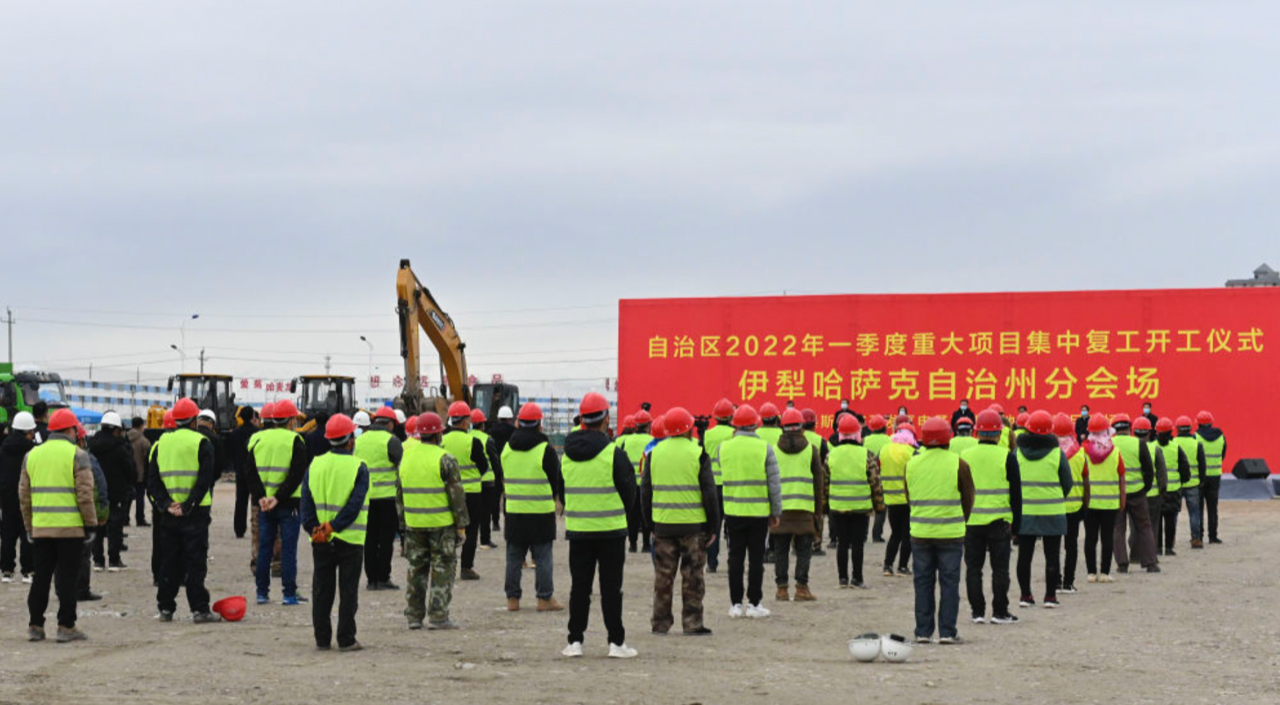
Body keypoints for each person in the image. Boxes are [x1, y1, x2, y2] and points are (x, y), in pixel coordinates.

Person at [561, 392, 638, 659]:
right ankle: (616, 643)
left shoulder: (567, 455)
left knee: (579, 588)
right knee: (611, 589)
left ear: (582, 419)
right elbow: (629, 491)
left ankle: (575, 641)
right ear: (606, 419)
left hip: (579, 531)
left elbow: (562, 490)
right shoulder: (613, 453)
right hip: (610, 532)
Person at [19, 409, 97, 642]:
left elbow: (24, 496)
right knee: (67, 579)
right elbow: (85, 494)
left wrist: (29, 527)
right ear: (71, 430)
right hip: (70, 529)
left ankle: (35, 625)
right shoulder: (78, 455)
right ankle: (66, 626)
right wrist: (90, 524)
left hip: (42, 528)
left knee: (41, 578)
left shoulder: (32, 455)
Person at [643, 406, 719, 635]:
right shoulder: (698, 454)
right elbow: (709, 494)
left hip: (663, 526)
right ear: (688, 429)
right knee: (693, 577)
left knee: (663, 578)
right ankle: (692, 623)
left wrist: (650, 525)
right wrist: (713, 527)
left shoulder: (654, 454)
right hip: (693, 528)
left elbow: (645, 492)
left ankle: (660, 622)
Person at [149, 398, 221, 623]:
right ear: (194, 420)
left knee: (169, 561)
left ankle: (165, 608)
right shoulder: (202, 442)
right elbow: (205, 480)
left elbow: (153, 482)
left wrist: (165, 504)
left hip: (169, 514)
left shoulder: (160, 444)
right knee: (195, 561)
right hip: (196, 513)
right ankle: (199, 609)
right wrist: (188, 504)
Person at [302, 414, 370, 651]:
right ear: (350, 439)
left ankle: (322, 639)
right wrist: (334, 526)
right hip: (350, 539)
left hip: (320, 538)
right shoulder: (359, 467)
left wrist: (315, 529)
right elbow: (354, 505)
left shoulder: (315, 465)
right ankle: (346, 638)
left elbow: (306, 503)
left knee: (322, 590)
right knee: (348, 591)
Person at [397, 412, 469, 630]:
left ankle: (414, 617)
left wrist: (402, 525)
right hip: (441, 525)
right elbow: (456, 495)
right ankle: (438, 616)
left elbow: (399, 495)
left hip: (414, 524)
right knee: (442, 568)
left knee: (416, 569)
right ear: (439, 434)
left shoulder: (406, 457)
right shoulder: (445, 458)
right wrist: (461, 525)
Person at [905, 418, 974, 644]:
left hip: (921, 533)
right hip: (951, 534)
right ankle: (947, 632)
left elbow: (909, 496)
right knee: (950, 583)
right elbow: (968, 499)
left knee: (922, 583)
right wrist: (960, 521)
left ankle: (923, 632)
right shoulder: (959, 464)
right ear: (948, 439)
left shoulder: (912, 463)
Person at [715, 404, 782, 620]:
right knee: (756, 560)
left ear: (734, 425)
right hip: (758, 513)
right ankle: (754, 603)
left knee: (735, 558)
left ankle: (735, 604)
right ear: (755, 424)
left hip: (733, 511)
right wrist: (776, 511)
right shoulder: (765, 448)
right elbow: (774, 484)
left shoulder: (723, 447)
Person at [501, 402, 564, 612]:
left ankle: (512, 599)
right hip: (540, 513)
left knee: (513, 557)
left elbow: (504, 476)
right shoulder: (545, 450)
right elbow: (555, 480)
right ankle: (544, 599)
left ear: (518, 423)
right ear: (539, 424)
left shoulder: (507, 449)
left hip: (514, 512)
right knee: (543, 557)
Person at [246, 400, 309, 605]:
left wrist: (262, 497)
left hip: (265, 504)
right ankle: (289, 594)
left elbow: (250, 473)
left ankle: (261, 593)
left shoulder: (257, 439)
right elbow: (296, 475)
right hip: (288, 504)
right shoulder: (295, 440)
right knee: (288, 550)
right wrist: (278, 498)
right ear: (291, 420)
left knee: (265, 548)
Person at [962, 410, 1019, 625]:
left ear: (976, 432)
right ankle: (1000, 612)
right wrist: (1017, 525)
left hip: (971, 522)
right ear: (999, 433)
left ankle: (977, 612)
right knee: (1000, 569)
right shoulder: (1007, 456)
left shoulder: (965, 455)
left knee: (973, 569)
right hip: (999, 521)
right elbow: (1016, 494)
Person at [1012, 411, 1072, 609]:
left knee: (1024, 556)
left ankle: (1025, 595)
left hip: (1025, 513)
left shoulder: (1017, 454)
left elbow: (1011, 483)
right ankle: (1050, 596)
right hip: (1052, 511)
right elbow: (1067, 483)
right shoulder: (1057, 454)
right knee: (1052, 556)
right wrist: (1056, 497)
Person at [770, 409, 824, 602]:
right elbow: (819, 484)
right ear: (802, 428)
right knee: (803, 550)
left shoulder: (774, 451)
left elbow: (770, 482)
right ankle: (801, 588)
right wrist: (818, 513)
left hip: (781, 510)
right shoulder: (811, 450)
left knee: (780, 550)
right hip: (804, 509)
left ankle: (781, 589)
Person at [828, 414, 883, 589]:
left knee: (842, 543)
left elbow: (825, 482)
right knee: (858, 544)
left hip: (838, 507)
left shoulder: (831, 454)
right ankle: (857, 578)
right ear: (858, 433)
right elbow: (875, 482)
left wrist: (824, 507)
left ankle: (842, 579)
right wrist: (879, 506)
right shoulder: (866, 455)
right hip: (860, 507)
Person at [353, 406, 404, 590]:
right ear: (390, 424)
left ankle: (371, 579)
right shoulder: (392, 440)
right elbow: (401, 465)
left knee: (369, 539)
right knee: (385, 540)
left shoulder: (360, 440)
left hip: (366, 499)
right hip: (387, 498)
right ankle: (383, 577)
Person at [441, 401, 488, 580]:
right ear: (465, 421)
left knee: (449, 529)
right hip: (471, 493)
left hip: (448, 493)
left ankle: (448, 566)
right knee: (471, 530)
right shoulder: (472, 442)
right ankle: (466, 567)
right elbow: (483, 466)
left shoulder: (442, 440)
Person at [1110, 414, 1159, 574]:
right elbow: (1149, 470)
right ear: (1129, 428)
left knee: (1118, 528)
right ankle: (1150, 563)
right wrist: (1145, 488)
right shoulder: (1138, 443)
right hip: (1137, 492)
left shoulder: (1109, 444)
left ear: (1114, 428)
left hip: (1117, 493)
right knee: (1144, 526)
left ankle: (1122, 564)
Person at [88, 412, 135, 572]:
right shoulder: (120, 448)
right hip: (117, 492)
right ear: (116, 430)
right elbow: (130, 470)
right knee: (115, 527)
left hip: (96, 492)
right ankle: (114, 560)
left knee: (97, 526)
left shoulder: (91, 446)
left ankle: (98, 560)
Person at [1082, 415, 1125, 583]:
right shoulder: (1114, 451)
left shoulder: (1083, 450)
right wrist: (1122, 500)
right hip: (1110, 503)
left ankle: (1091, 573)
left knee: (1090, 538)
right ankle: (1105, 573)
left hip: (1090, 502)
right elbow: (1121, 476)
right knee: (1107, 538)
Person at [1052, 413, 1086, 594]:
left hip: (1055, 507)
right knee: (1071, 546)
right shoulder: (1080, 454)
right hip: (1074, 507)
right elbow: (1086, 481)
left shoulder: (1050, 454)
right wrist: (1086, 503)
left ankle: (1055, 582)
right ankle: (1068, 583)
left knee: (1054, 547)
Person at [2, 411, 37, 583]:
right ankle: (28, 570)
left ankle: (6, 570)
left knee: (7, 535)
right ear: (28, 431)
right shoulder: (32, 450)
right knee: (27, 533)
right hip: (26, 496)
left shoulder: (4, 448)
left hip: (6, 497)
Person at [701, 399, 735, 572]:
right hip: (730, 485)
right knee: (732, 526)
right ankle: (732, 560)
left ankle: (711, 563)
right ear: (731, 416)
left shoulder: (707, 435)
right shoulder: (734, 434)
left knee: (713, 525)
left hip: (711, 486)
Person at [879, 421, 917, 577]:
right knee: (907, 535)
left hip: (890, 499)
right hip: (908, 500)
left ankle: (887, 566)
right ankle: (902, 567)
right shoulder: (912, 452)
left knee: (895, 534)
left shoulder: (884, 450)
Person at [1132, 418, 1169, 557]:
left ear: (1134, 432)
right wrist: (1162, 490)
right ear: (1149, 433)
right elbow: (1161, 473)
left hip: (1134, 493)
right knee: (1152, 526)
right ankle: (1150, 555)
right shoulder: (1155, 449)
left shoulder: (1129, 448)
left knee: (1134, 526)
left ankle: (1135, 555)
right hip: (1153, 495)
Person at [618, 410, 654, 554]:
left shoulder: (627, 441)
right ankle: (646, 545)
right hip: (646, 484)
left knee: (632, 516)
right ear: (648, 425)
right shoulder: (652, 441)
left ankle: (632, 545)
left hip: (631, 484)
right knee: (646, 515)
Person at [1152, 418, 1189, 556]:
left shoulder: (1151, 446)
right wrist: (1182, 482)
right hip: (1173, 490)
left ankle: (1157, 548)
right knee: (1170, 521)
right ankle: (1168, 548)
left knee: (1157, 520)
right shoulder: (1176, 448)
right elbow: (1184, 467)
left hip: (1156, 490)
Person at [1171, 415, 1207, 549]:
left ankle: (1170, 539)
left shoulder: (1173, 443)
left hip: (1177, 484)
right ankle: (1196, 539)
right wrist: (1201, 481)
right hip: (1193, 484)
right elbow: (1202, 466)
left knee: (1173, 514)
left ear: (1177, 429)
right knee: (1195, 513)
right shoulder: (1197, 444)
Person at [799, 408, 831, 555]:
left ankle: (798, 545)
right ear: (814, 424)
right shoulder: (820, 441)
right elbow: (825, 463)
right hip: (816, 483)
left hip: (799, 481)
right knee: (817, 514)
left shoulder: (797, 439)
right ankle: (816, 544)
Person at [470, 408, 503, 549]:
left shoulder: (467, 438)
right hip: (487, 482)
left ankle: (469, 539)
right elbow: (495, 462)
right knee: (485, 513)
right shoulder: (487, 439)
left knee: (471, 513)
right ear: (482, 424)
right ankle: (485, 540)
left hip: (471, 482)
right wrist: (498, 476)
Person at [1194, 411, 1226, 545]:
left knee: (1198, 508)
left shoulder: (1195, 437)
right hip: (1215, 476)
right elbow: (1223, 454)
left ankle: (1199, 536)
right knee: (1213, 508)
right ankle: (1213, 536)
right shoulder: (1221, 436)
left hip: (1200, 477)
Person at [228, 407, 258, 538]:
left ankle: (239, 529)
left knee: (240, 501)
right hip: (254, 472)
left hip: (240, 471)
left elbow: (231, 451)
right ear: (252, 417)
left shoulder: (235, 433)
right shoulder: (257, 432)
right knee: (256, 501)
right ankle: (257, 527)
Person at [862, 415, 891, 543]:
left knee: (865, 506)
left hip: (866, 475)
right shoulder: (889, 440)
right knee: (880, 506)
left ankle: (863, 534)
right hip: (882, 476)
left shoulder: (865, 440)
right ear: (884, 427)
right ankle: (876, 534)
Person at [127, 417, 153, 528]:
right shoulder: (143, 441)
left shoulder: (125, 438)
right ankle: (140, 518)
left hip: (127, 472)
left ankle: (125, 518)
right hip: (140, 474)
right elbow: (148, 456)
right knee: (139, 497)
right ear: (141, 426)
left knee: (127, 497)